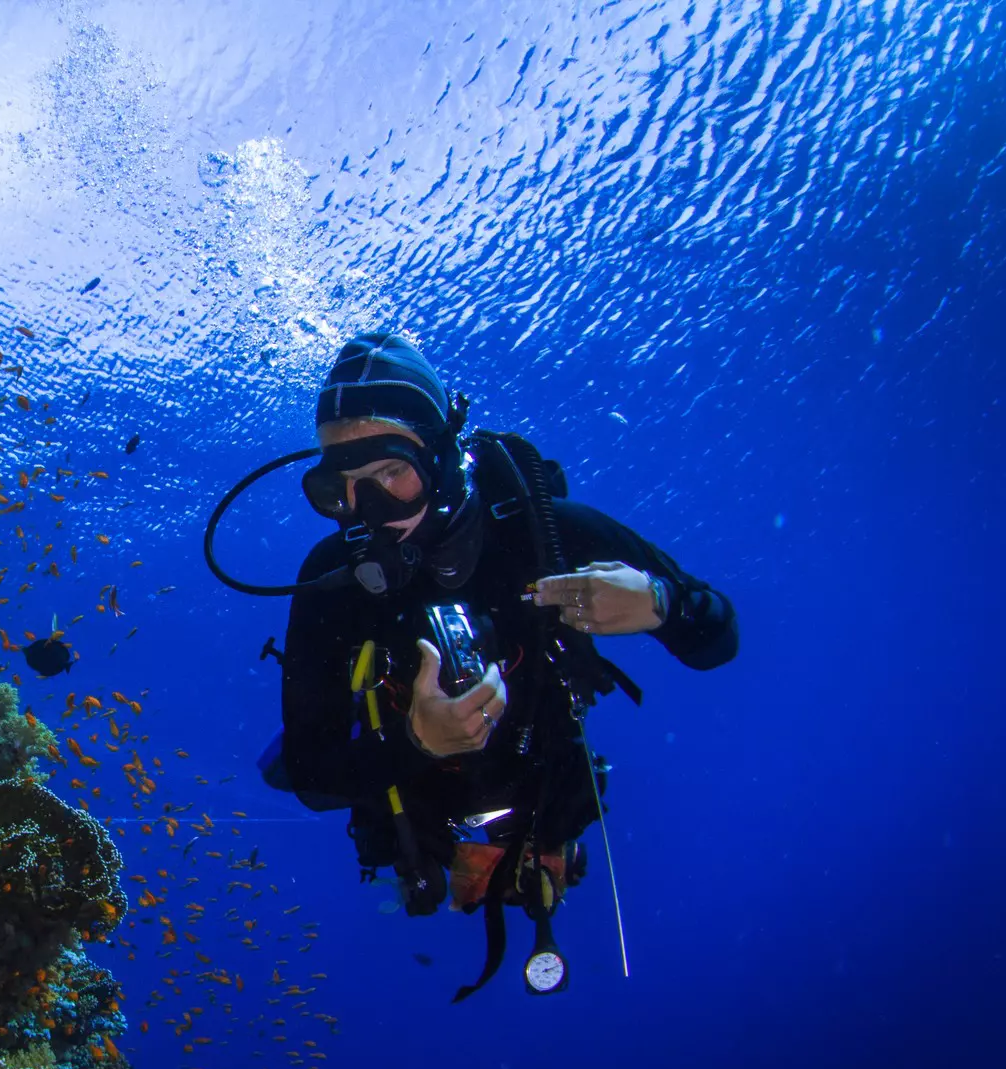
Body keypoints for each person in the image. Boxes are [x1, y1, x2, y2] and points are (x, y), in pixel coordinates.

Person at [253, 332, 738, 997]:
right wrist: (414, 743)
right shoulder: (331, 580)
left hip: (543, 802)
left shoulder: (549, 536)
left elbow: (718, 640)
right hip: (419, 827)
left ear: (442, 454)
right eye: (342, 488)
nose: (371, 514)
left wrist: (661, 601)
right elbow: (310, 770)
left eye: (392, 473)